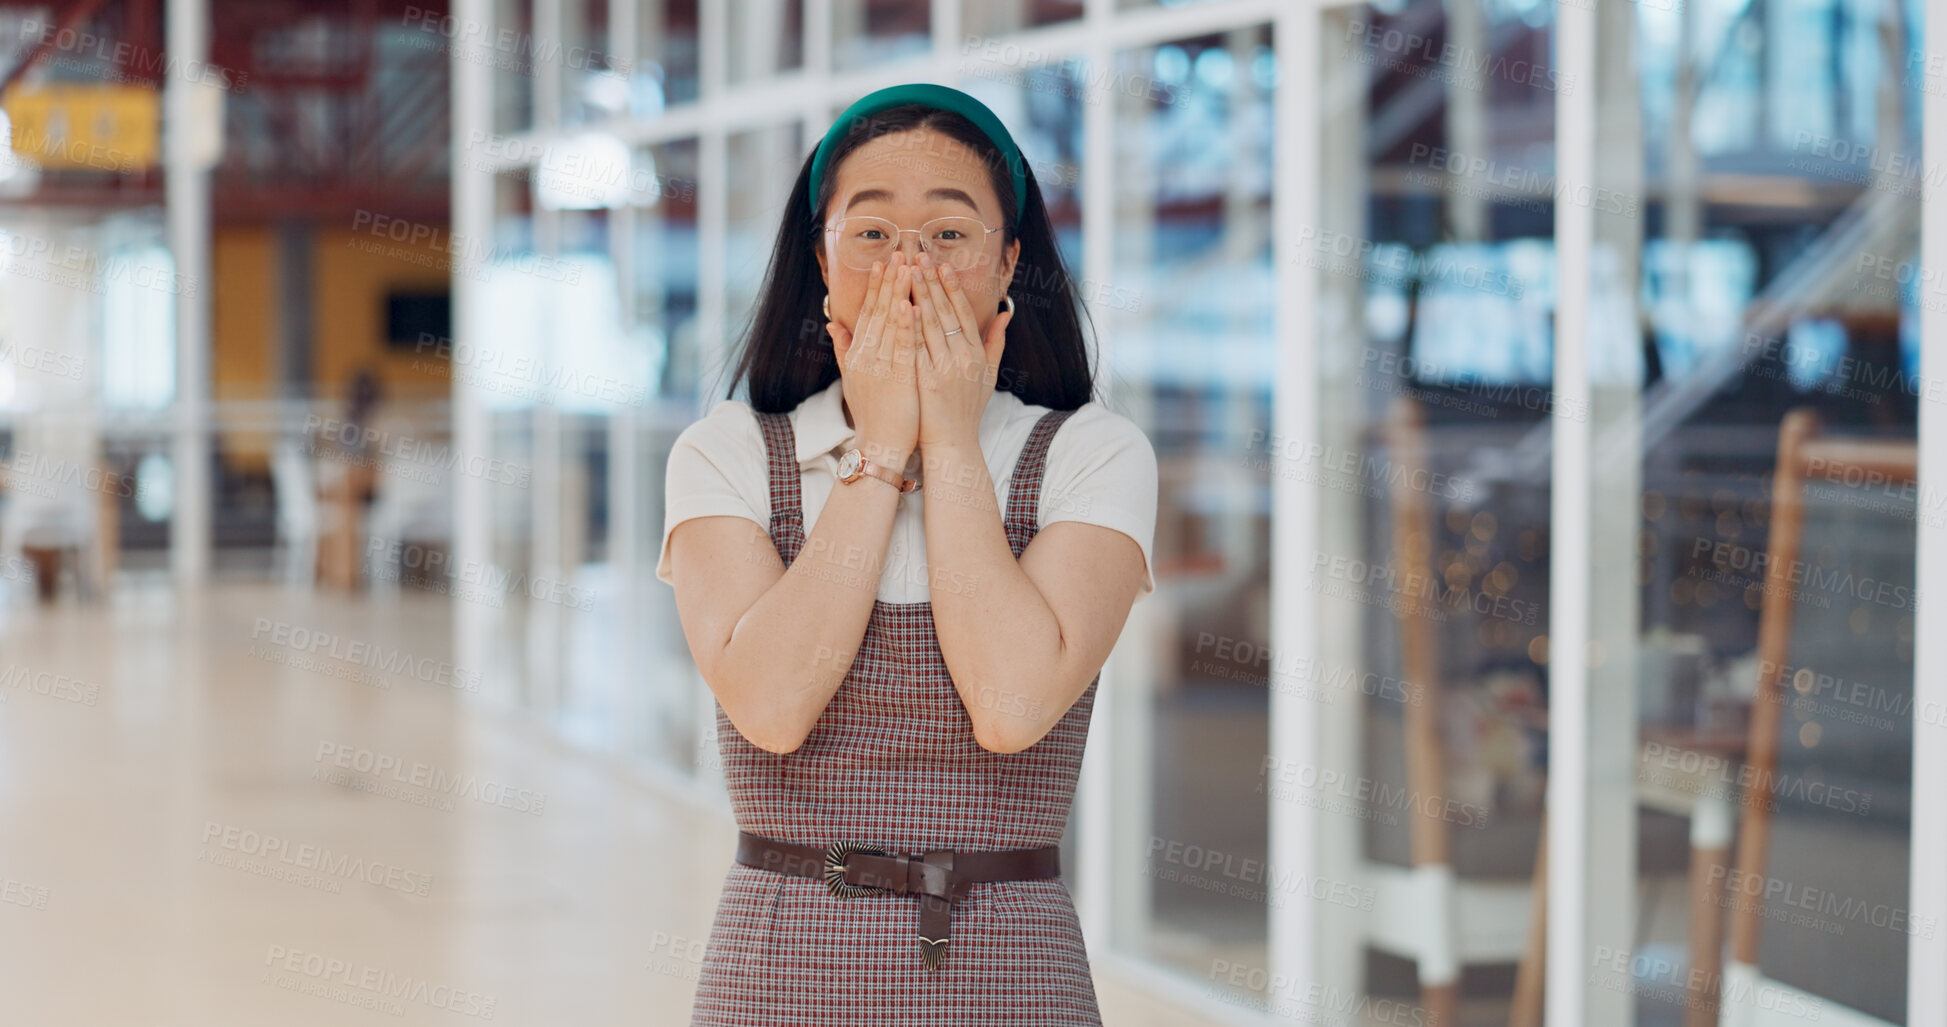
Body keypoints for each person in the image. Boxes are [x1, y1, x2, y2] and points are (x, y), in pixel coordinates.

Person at [657, 83, 1158, 1025]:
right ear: (821, 260)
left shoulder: (1092, 451)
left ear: (1009, 259)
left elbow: (1012, 706)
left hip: (1011, 969)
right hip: (777, 969)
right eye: (873, 233)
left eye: (950, 233)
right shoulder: (727, 450)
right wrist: (882, 450)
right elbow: (769, 704)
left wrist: (954, 440)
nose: (910, 267)